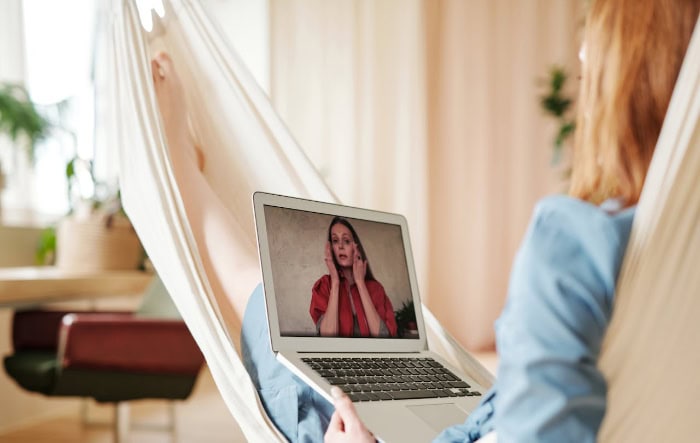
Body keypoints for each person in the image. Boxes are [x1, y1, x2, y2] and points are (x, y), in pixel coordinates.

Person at [150, 0, 699, 441]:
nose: (581, 55)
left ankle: (181, 174)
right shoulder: (673, 247)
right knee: (355, 348)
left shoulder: (575, 242)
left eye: (594, 40)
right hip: (475, 407)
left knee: (275, 328)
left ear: (627, 72)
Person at [311, 216, 398, 337]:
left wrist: (360, 284)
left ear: (356, 247)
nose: (340, 246)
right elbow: (326, 338)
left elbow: (383, 338)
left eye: (346, 241)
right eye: (335, 241)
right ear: (331, 248)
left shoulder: (376, 289)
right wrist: (335, 282)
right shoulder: (323, 286)